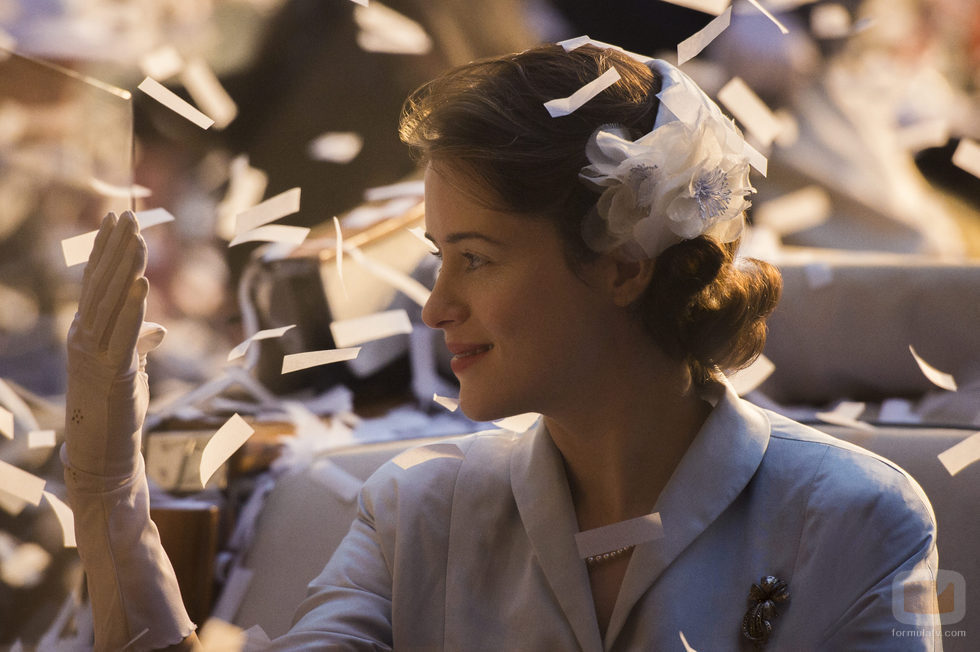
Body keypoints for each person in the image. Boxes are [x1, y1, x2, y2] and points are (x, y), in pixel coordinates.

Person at [63, 42, 941, 651]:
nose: (437, 306)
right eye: (438, 259)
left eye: (476, 259)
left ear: (623, 266)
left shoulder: (854, 521)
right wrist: (108, 499)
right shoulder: (416, 514)